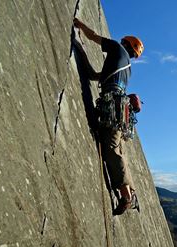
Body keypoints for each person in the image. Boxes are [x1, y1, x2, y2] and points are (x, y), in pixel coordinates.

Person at [73, 17, 144, 215]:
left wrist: (79, 26)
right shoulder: (126, 68)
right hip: (118, 109)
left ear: (125, 44)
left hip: (113, 106)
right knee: (117, 149)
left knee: (112, 149)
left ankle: (126, 196)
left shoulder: (116, 49)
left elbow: (94, 36)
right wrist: (80, 51)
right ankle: (130, 192)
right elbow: (96, 76)